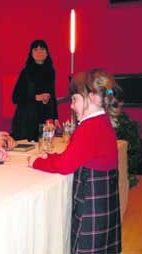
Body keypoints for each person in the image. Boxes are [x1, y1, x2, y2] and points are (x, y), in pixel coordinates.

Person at [28, 69, 122, 253]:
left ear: (93, 97)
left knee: (85, 246)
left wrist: (37, 162)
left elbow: (65, 165)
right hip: (103, 206)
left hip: (90, 207)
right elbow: (75, 156)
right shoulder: (103, 122)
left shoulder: (89, 127)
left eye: (75, 99)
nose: (71, 106)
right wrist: (51, 157)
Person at [11, 39, 61, 141]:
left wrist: (55, 118)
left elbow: (52, 96)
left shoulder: (51, 72)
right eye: (35, 49)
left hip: (43, 119)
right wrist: (36, 97)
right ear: (31, 53)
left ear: (47, 53)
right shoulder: (26, 72)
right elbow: (15, 97)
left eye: (42, 49)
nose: (39, 52)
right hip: (26, 120)